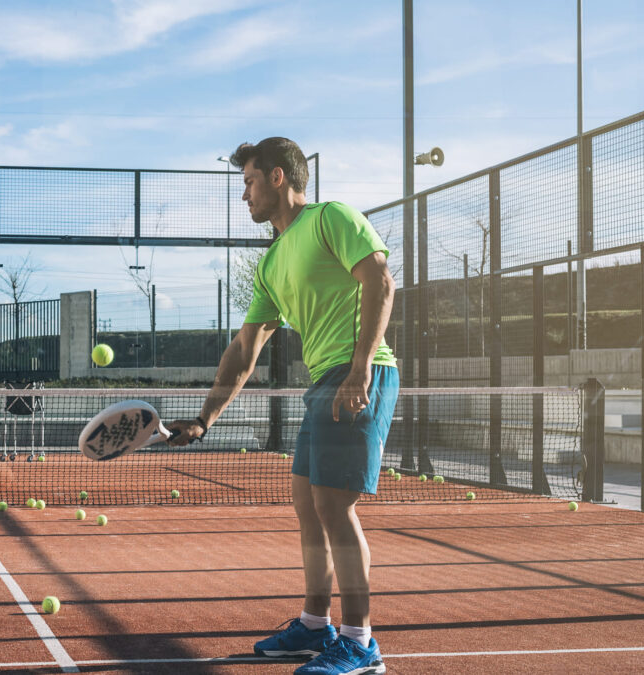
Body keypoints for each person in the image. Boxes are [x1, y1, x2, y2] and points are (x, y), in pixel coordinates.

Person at [168, 137, 398, 675]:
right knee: (307, 506)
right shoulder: (271, 262)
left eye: (248, 182)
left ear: (276, 177)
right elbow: (244, 350)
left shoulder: (330, 218)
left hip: (359, 371)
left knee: (335, 508)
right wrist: (205, 419)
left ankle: (361, 643)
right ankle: (315, 626)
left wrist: (362, 365)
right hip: (322, 381)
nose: (243, 195)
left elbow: (380, 282)